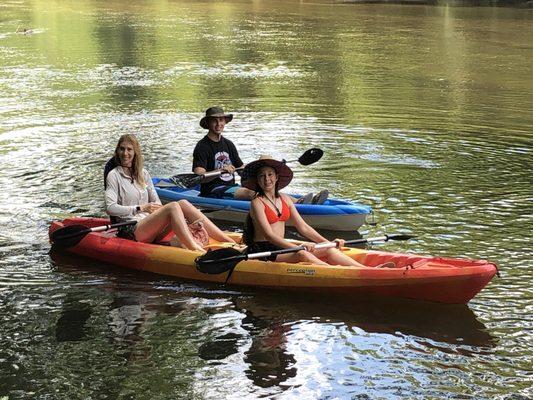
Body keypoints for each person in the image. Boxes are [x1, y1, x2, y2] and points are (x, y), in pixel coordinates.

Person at [241, 156, 395, 268]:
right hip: (263, 251)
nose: (266, 179)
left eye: (270, 175)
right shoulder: (257, 203)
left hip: (280, 248)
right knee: (303, 254)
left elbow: (304, 228)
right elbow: (269, 235)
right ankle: (337, 273)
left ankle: (366, 270)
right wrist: (298, 246)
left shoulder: (286, 199)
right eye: (262, 176)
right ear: (257, 180)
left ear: (276, 178)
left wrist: (326, 243)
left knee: (328, 249)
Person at [105, 134, 236, 252]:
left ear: (135, 152)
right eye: (122, 149)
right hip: (132, 229)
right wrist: (141, 208)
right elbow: (110, 208)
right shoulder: (113, 175)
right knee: (173, 206)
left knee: (183, 204)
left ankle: (229, 241)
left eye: (129, 149)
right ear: (117, 151)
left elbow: (156, 201)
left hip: (151, 226)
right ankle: (194, 248)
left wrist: (161, 210)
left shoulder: (143, 173)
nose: (125, 153)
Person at [192, 106, 327, 204]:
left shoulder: (228, 144)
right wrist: (221, 171)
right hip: (213, 191)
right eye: (215, 121)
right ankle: (299, 205)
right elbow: (199, 176)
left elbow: (241, 169)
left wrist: (261, 165)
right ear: (208, 123)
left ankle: (300, 202)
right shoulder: (202, 146)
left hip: (231, 188)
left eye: (221, 120)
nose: (219, 124)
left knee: (266, 184)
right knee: (253, 193)